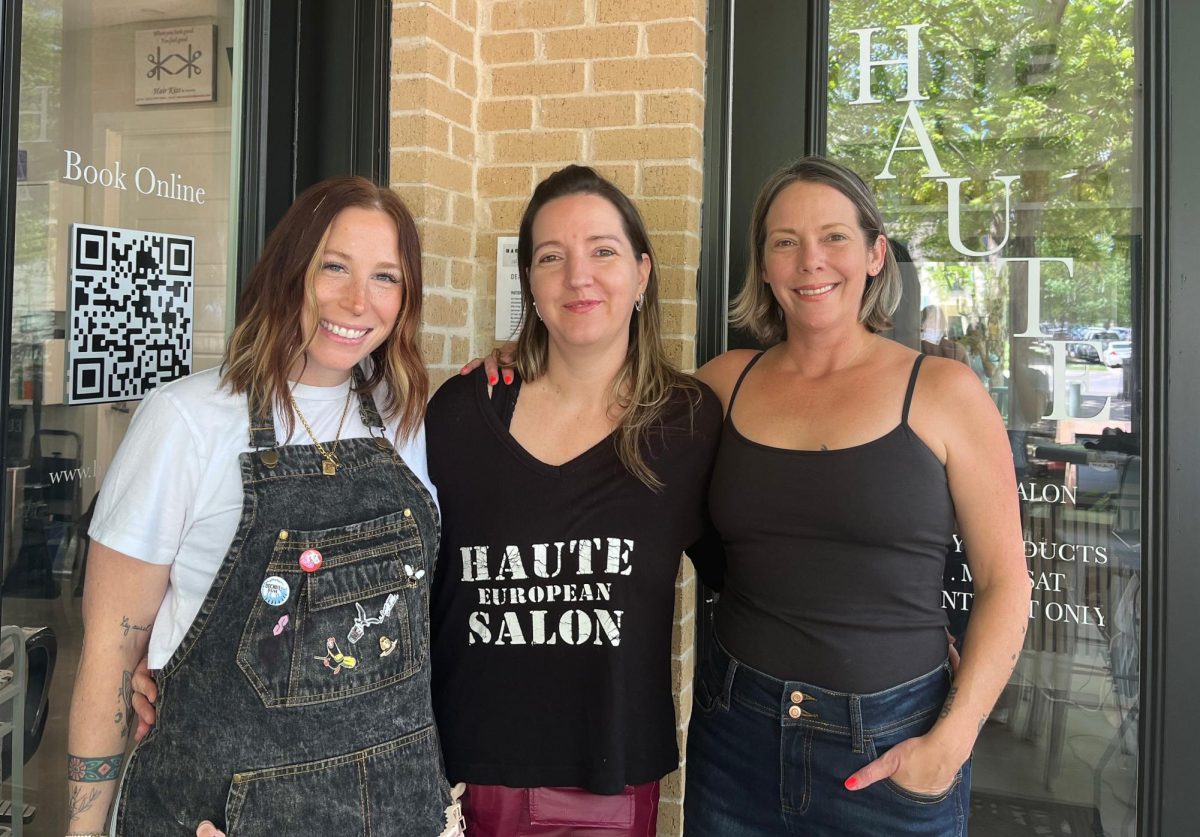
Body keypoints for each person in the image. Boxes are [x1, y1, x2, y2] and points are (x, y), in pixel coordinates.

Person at [66, 176, 462, 836]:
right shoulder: (186, 420)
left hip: (403, 811)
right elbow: (111, 649)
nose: (357, 300)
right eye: (333, 266)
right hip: (224, 815)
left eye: (385, 277)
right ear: (289, 269)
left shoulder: (404, 418)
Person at [683, 157, 1028, 836]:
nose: (810, 261)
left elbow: (1005, 581)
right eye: (785, 241)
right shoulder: (723, 384)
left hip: (892, 747)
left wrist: (951, 742)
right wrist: (529, 359)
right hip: (735, 738)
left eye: (834, 237)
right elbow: (613, 430)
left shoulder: (945, 392)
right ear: (765, 266)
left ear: (875, 255)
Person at [426, 164, 723, 836]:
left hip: (606, 779)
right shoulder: (460, 413)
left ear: (642, 274)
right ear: (530, 283)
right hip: (459, 774)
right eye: (551, 257)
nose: (577, 277)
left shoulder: (688, 422)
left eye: (603, 251)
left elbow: (749, 578)